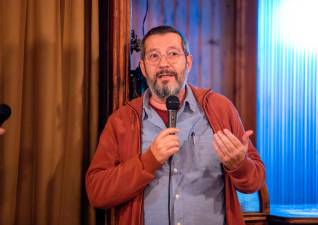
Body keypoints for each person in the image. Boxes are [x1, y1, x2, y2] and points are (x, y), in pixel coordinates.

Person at [86, 25, 265, 225]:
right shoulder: (122, 120)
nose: (164, 64)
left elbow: (254, 182)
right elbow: (97, 193)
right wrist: (149, 160)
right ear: (143, 67)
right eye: (154, 56)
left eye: (173, 54)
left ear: (188, 62)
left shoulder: (219, 108)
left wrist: (239, 165)